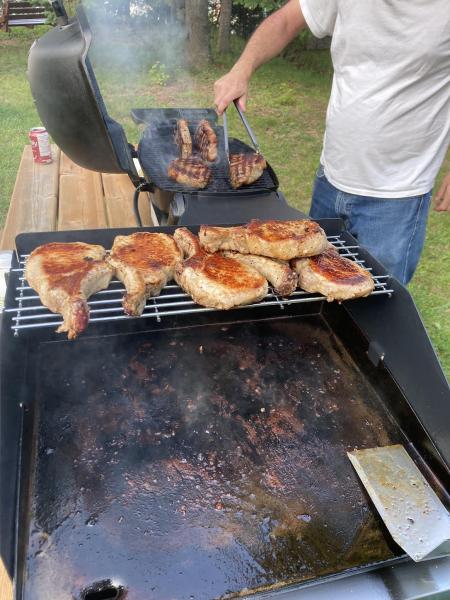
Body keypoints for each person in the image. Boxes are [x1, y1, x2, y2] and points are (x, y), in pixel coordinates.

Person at [214, 0, 450, 284]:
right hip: (331, 178)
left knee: (374, 312)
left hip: (397, 198)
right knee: (312, 291)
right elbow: (286, 21)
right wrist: (242, 68)